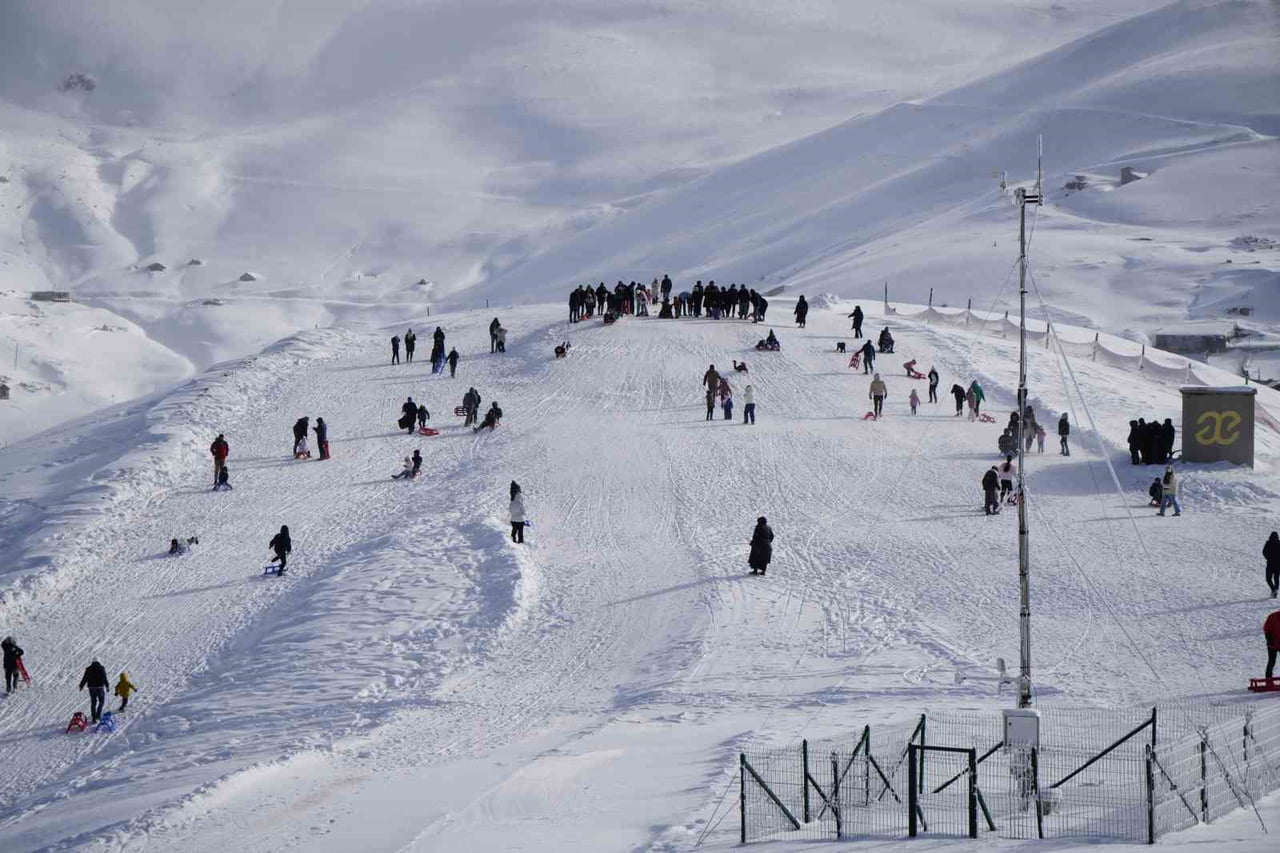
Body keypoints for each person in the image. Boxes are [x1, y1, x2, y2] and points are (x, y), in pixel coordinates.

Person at [1265, 609, 1280, 679]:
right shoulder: (1273, 616)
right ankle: (1268, 678)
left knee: (1271, 660)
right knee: (1271, 660)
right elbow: (1267, 629)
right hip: (1272, 643)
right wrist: (1269, 639)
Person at [1264, 531, 1279, 599]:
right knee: (1276, 578)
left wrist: (1268, 558)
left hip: (1270, 564)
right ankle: (1275, 590)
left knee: (1268, 578)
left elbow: (1264, 552)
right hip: (1277, 565)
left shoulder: (1268, 543)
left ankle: (1273, 590)